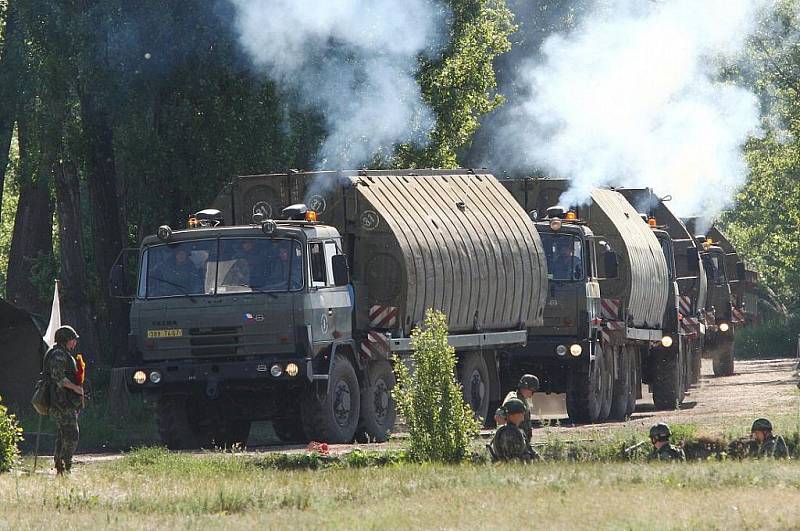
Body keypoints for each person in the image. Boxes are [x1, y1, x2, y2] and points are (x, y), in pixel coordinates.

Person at [45, 326, 84, 475]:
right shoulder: (59, 355)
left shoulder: (63, 354)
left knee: (64, 434)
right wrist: (75, 388)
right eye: (73, 340)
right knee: (72, 434)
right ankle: (65, 464)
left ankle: (61, 466)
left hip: (65, 401)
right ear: (66, 340)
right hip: (61, 402)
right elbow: (58, 378)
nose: (74, 344)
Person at [502, 374, 539, 443]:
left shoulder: (518, 398)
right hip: (514, 442)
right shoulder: (515, 401)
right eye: (532, 391)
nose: (532, 395)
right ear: (526, 388)